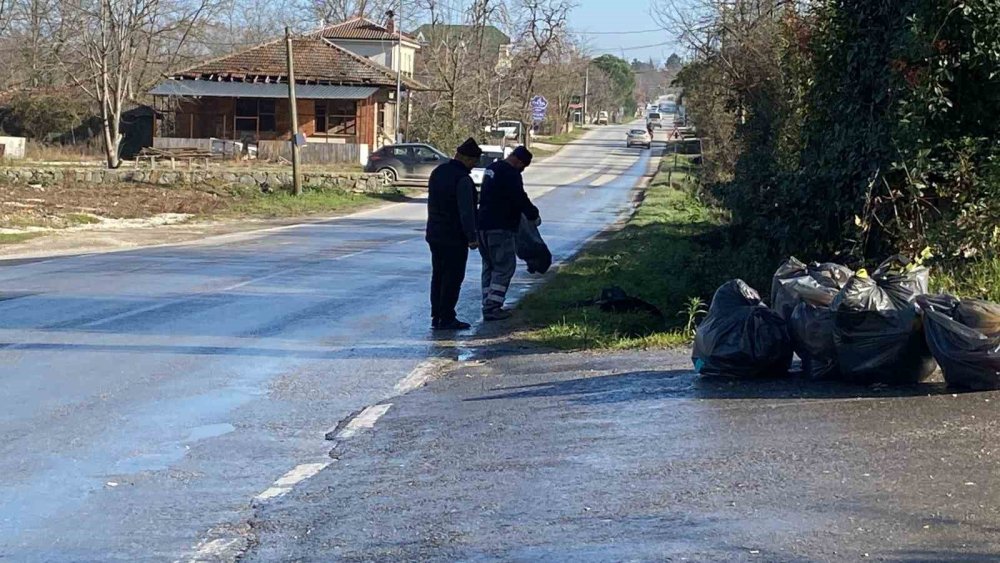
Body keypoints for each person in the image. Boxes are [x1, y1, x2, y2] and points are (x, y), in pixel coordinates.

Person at [477, 145, 540, 321]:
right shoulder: (511, 174)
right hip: (500, 227)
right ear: (519, 161)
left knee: (489, 266)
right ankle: (492, 307)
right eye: (523, 166)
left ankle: (487, 302)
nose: (522, 169)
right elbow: (519, 198)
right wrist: (533, 214)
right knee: (504, 267)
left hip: (482, 226)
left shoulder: (492, 169)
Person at [425, 138, 482, 331]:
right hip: (454, 237)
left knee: (438, 275)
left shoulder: (438, 172)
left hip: (435, 233)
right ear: (466, 158)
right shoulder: (463, 180)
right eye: (474, 161)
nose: (474, 166)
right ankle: (447, 317)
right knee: (453, 277)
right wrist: (472, 237)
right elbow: (466, 211)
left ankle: (437, 315)